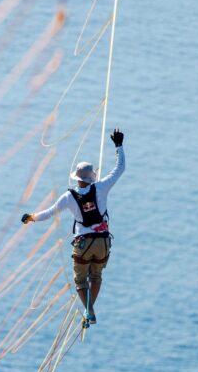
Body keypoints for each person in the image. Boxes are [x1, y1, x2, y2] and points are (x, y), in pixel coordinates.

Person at [21, 128, 125, 327]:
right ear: (91, 177)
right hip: (103, 241)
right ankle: (89, 310)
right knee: (96, 276)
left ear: (77, 177)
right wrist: (119, 145)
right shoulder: (102, 187)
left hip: (83, 243)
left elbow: (49, 213)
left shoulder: (69, 197)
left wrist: (31, 217)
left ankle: (89, 310)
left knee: (80, 281)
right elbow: (120, 168)